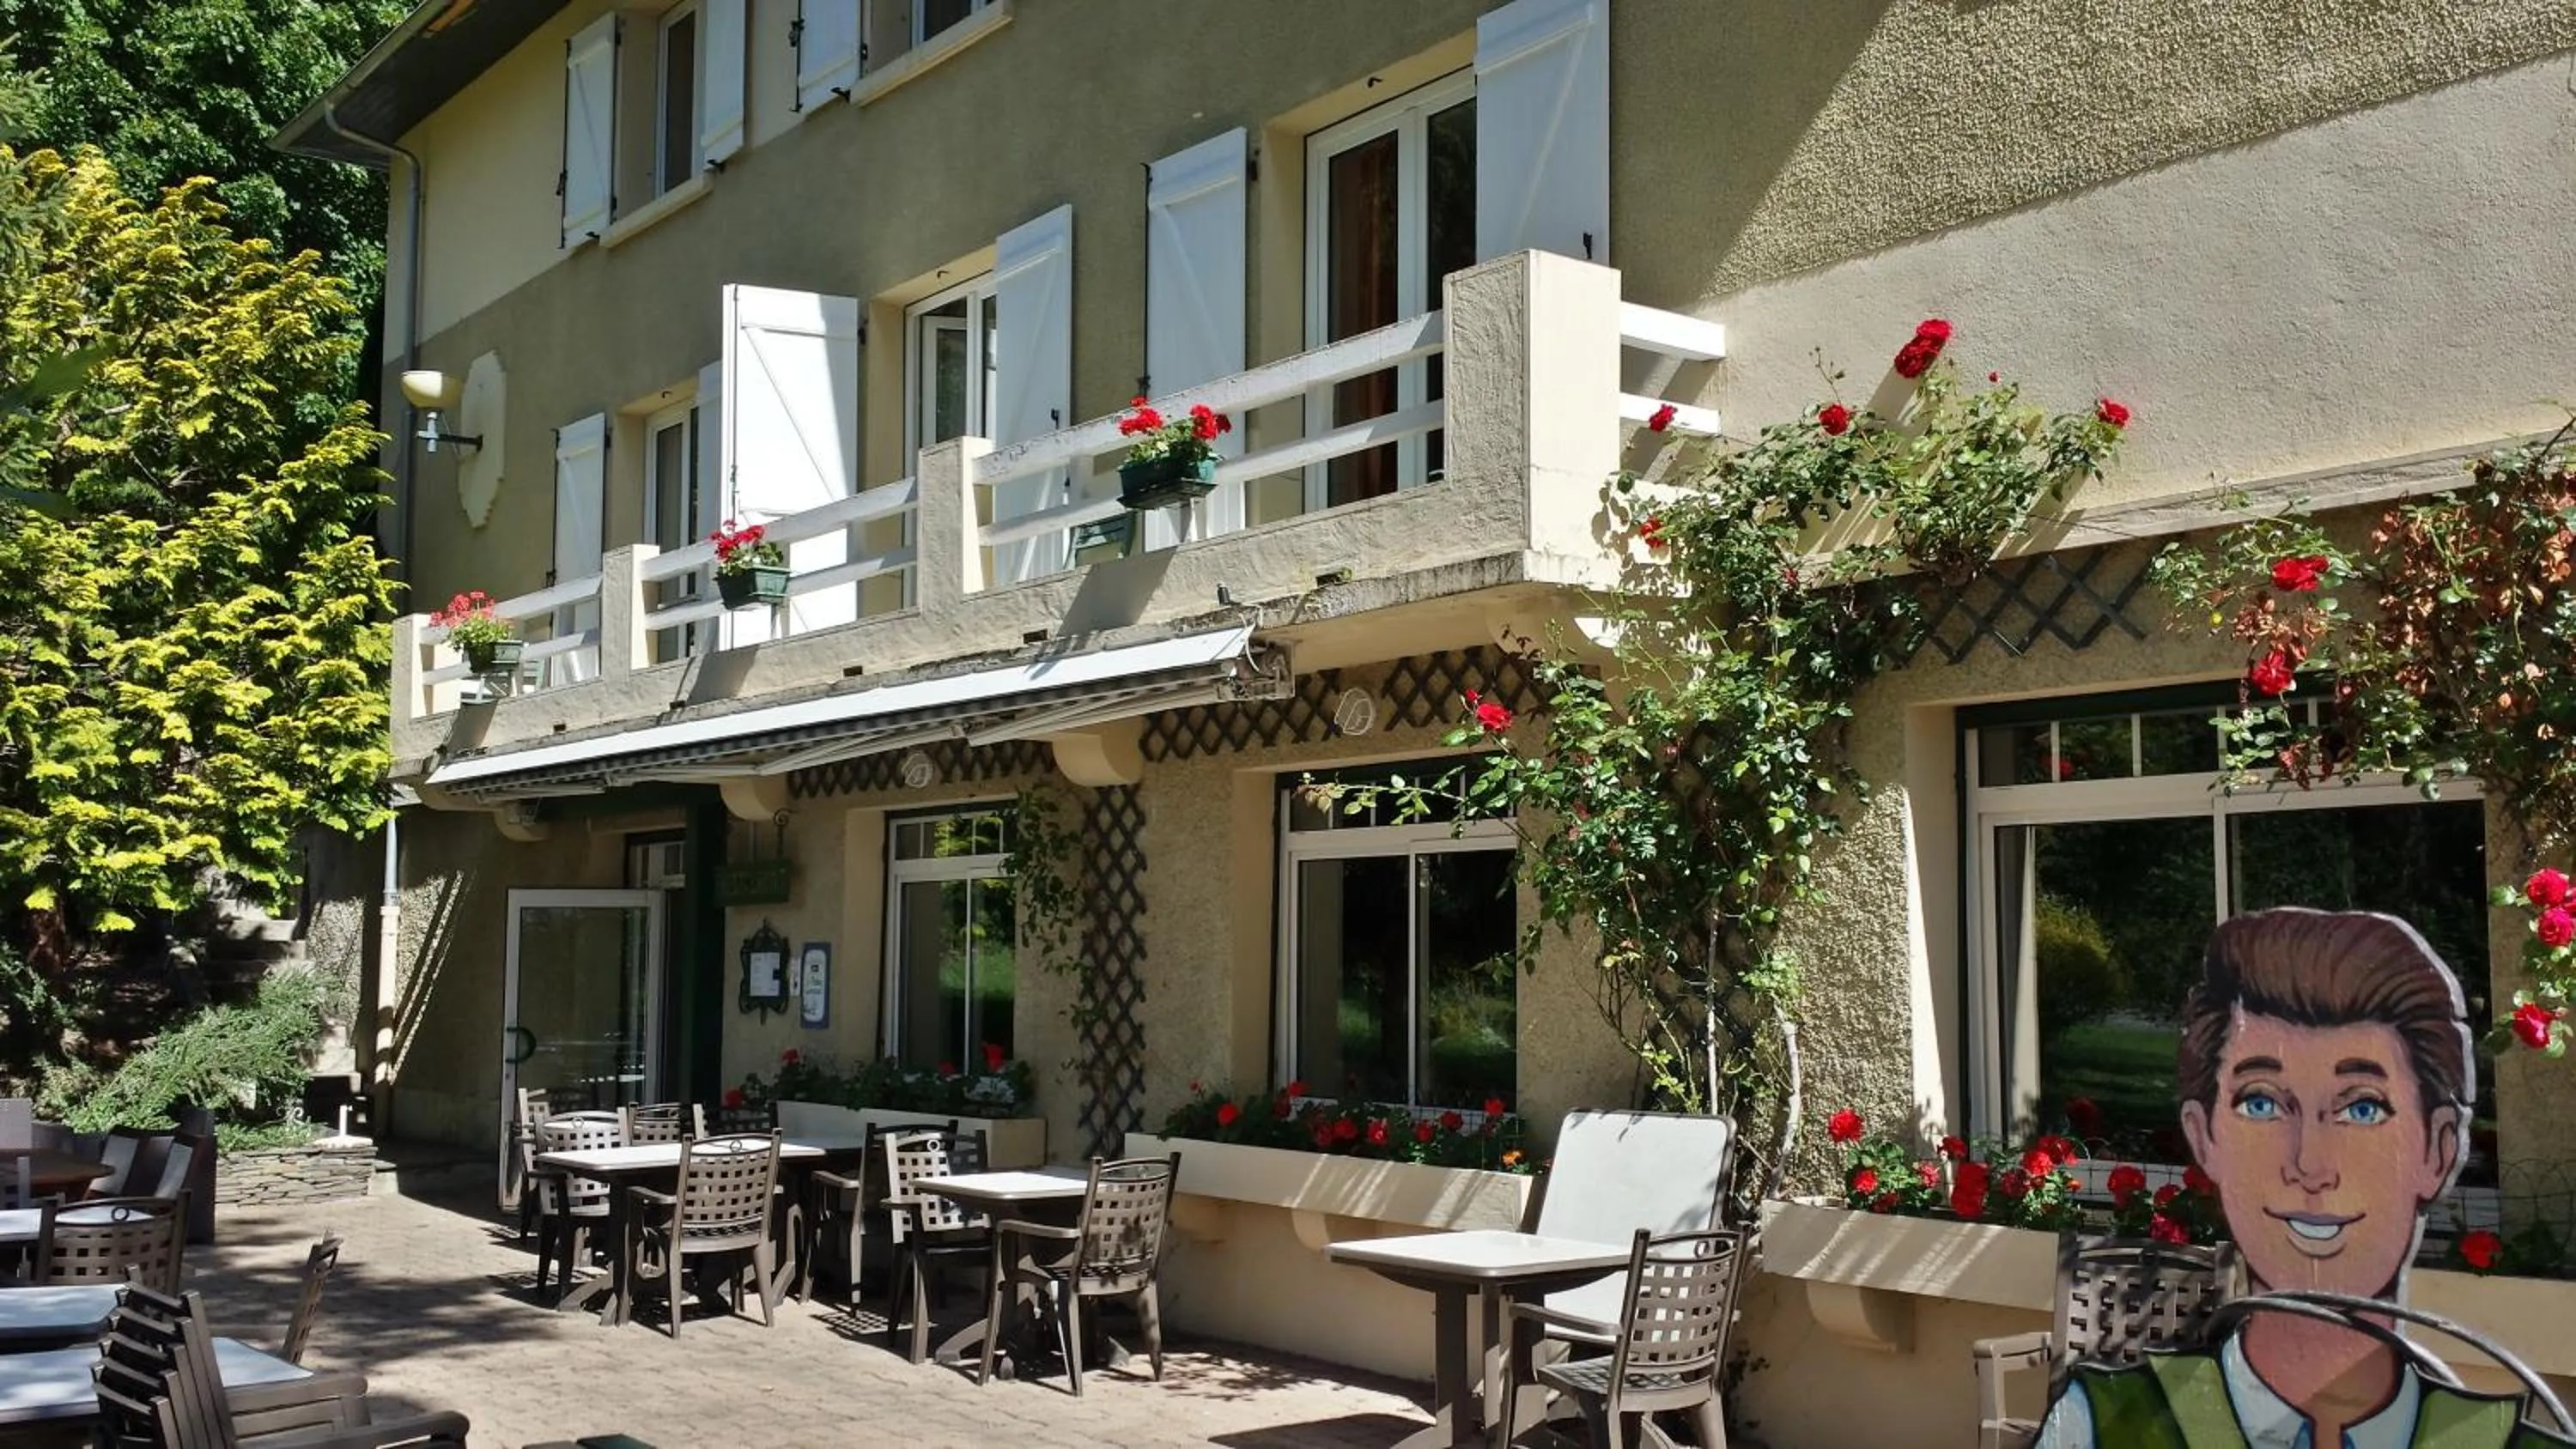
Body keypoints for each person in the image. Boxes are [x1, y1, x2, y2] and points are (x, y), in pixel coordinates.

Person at [2038, 907, 2571, 1447]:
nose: (2310, 1165)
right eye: (2262, 1102)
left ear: (2438, 1148)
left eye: (2362, 1108)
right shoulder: (2102, 1427)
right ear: (2204, 1136)